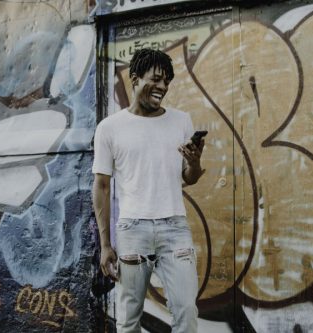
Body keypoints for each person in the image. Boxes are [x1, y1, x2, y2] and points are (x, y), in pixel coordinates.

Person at [92, 48, 205, 333]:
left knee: (187, 310)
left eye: (167, 81)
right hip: (133, 230)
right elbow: (102, 186)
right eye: (156, 79)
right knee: (129, 318)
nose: (163, 87)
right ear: (134, 78)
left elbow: (189, 178)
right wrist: (106, 245)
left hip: (175, 228)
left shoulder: (181, 121)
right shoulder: (110, 128)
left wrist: (194, 162)